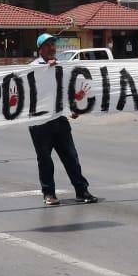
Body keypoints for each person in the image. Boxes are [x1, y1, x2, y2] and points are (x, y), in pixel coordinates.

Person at [29, 33, 99, 206]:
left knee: (71, 156)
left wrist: (72, 107)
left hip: (59, 119)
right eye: (48, 45)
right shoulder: (33, 67)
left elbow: (64, 89)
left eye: (53, 45)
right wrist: (46, 67)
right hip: (40, 122)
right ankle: (49, 193)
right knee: (45, 159)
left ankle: (82, 190)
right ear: (40, 49)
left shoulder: (61, 67)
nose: (52, 48)